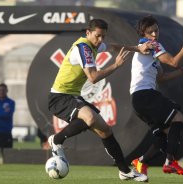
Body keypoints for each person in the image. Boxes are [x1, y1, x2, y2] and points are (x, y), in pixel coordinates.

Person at [48, 19, 151, 182]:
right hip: (59, 97)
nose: (100, 40)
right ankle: (56, 140)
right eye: (97, 36)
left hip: (73, 96)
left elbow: (113, 47)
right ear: (88, 33)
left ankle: (124, 171)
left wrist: (137, 49)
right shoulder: (83, 49)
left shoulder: (95, 44)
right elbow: (93, 77)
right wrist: (115, 65)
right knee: (89, 117)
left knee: (105, 131)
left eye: (103, 36)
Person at [129, 15, 183, 178]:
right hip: (145, 96)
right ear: (143, 34)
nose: (154, 35)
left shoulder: (149, 50)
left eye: (156, 31)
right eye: (150, 32)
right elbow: (174, 61)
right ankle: (170, 162)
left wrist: (181, 72)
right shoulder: (152, 45)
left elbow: (160, 78)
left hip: (139, 100)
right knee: (178, 119)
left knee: (162, 139)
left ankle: (141, 162)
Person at [0, 83, 15, 164]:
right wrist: (2, 113)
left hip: (6, 132)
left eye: (3, 90)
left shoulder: (11, 102)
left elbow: (8, 115)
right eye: (0, 90)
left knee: (7, 157)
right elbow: (3, 114)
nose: (1, 91)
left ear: (7, 91)